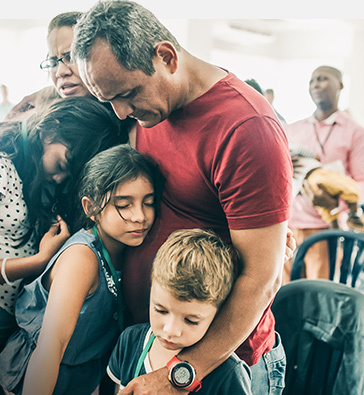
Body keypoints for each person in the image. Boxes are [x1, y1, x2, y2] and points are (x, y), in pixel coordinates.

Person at [72, 2, 293, 394]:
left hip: (222, 364)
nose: (120, 113)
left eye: (126, 95)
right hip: (152, 345)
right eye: (109, 100)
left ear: (166, 57)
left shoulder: (247, 129)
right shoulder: (149, 107)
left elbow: (262, 278)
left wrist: (181, 374)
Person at [0, 97, 122, 395]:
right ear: (49, 129)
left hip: (6, 322)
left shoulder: (29, 170)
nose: (60, 177)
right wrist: (39, 261)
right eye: (62, 164)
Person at [0, 144, 163, 395]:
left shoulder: (129, 249)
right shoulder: (82, 257)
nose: (140, 216)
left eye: (148, 202)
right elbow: (51, 345)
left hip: (83, 377)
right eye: (124, 205)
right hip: (40, 376)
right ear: (90, 208)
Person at [0, 11, 132, 212]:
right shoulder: (45, 107)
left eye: (70, 56)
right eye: (53, 62)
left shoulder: (127, 115)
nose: (60, 71)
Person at [107, 228, 252, 394]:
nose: (170, 330)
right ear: (151, 288)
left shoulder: (229, 374)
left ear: (219, 313)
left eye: (191, 320)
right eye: (160, 310)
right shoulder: (129, 341)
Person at [284, 65, 364, 282]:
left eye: (323, 78)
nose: (315, 84)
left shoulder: (356, 132)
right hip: (287, 227)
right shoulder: (293, 129)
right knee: (284, 296)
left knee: (316, 296)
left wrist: (336, 202)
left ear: (340, 85)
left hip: (324, 229)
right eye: (312, 80)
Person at [290, 143, 364, 232]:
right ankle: (353, 215)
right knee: (346, 185)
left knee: (343, 190)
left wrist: (337, 203)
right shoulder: (286, 139)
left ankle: (343, 223)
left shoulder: (286, 146)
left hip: (312, 178)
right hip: (309, 183)